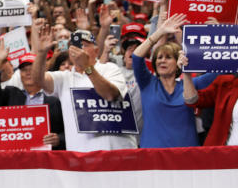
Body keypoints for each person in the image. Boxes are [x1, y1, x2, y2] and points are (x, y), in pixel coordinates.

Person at [33, 29, 136, 152]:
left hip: (119, 153)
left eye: (85, 45)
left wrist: (87, 67)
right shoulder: (64, 78)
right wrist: (41, 53)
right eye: (75, 46)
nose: (79, 49)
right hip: (82, 160)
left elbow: (110, 95)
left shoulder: (109, 69)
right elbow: (38, 80)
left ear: (96, 50)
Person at [132, 14, 201, 148]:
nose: (162, 60)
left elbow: (216, 73)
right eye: (159, 58)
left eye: (168, 57)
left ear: (178, 63)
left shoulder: (190, 84)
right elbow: (137, 57)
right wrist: (160, 32)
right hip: (152, 157)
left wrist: (186, 46)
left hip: (187, 157)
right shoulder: (147, 83)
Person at [0, 34, 65, 150]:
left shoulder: (55, 98)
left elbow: (67, 129)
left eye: (32, 69)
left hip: (47, 160)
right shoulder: (11, 94)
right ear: (19, 74)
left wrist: (59, 139)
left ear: (40, 71)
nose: (28, 73)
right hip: (19, 159)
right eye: (23, 70)